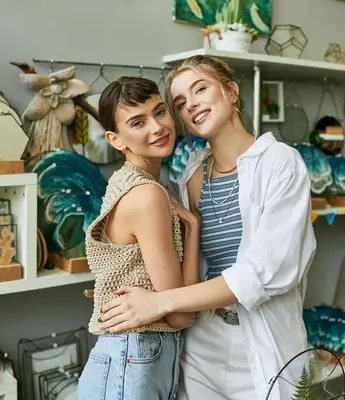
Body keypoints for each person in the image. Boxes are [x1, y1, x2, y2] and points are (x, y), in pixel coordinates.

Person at [97, 56, 317, 400]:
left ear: (231, 92)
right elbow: (177, 260)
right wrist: (126, 282)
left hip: (263, 338)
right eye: (181, 103)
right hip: (201, 342)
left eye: (200, 89)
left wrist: (160, 302)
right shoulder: (191, 176)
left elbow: (266, 271)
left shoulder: (280, 163)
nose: (192, 105)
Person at [77, 76, 200, 400]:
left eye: (159, 112)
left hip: (131, 356)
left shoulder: (130, 182)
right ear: (115, 139)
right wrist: (193, 230)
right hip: (132, 360)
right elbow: (179, 313)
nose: (157, 126)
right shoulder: (147, 194)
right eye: (138, 122)